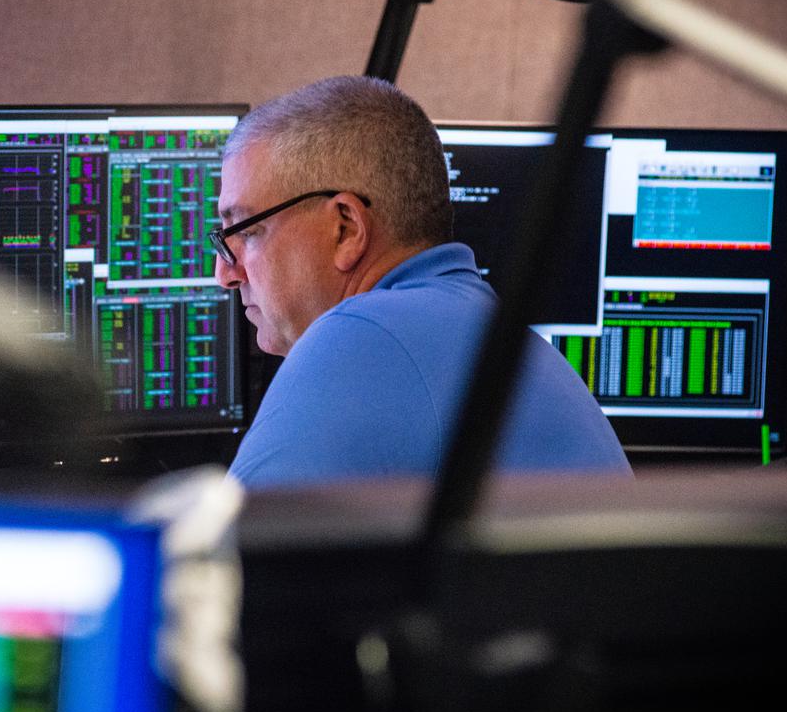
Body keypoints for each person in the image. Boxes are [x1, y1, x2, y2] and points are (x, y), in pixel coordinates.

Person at [212, 75, 630, 489]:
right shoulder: (486, 328)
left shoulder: (362, 337)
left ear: (346, 229)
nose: (226, 274)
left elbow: (217, 551)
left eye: (247, 232)